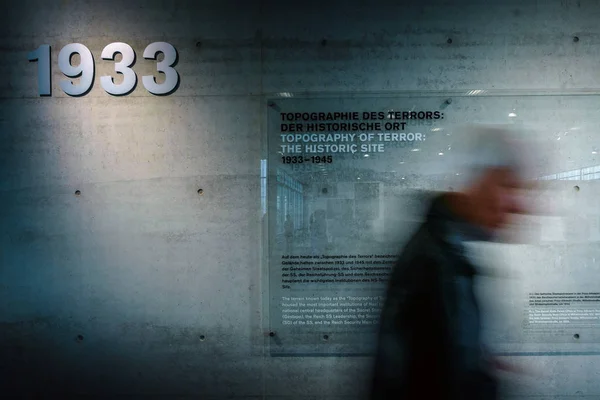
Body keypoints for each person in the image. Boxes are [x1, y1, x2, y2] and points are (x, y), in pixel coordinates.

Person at [370, 125, 531, 400]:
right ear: (483, 182)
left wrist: (479, 362)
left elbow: (434, 353)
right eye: (512, 186)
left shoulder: (448, 248)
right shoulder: (436, 260)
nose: (521, 207)